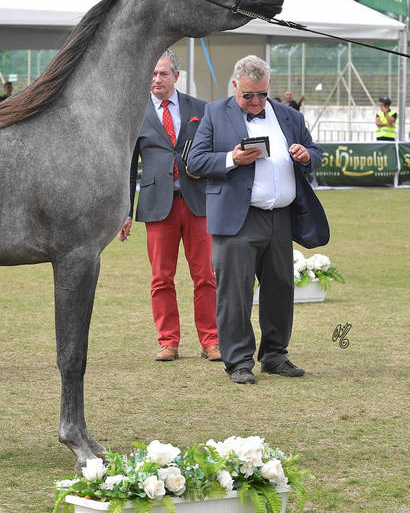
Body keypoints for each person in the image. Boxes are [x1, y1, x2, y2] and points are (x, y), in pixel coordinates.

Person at [190, 55, 328, 385]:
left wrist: (308, 156)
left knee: (280, 288)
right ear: (235, 86)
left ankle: (275, 354)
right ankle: (238, 361)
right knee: (235, 293)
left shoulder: (289, 116)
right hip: (237, 219)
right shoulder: (214, 114)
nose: (255, 102)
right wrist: (231, 158)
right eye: (248, 95)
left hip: (280, 218)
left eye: (262, 95)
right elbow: (195, 162)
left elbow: (316, 152)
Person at [119, 50, 219, 363]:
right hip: (156, 207)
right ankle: (168, 342)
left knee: (206, 276)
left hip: (197, 204)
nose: (156, 79)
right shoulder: (136, 111)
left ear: (176, 76)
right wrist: (125, 210)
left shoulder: (200, 108)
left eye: (163, 74)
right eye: (151, 74)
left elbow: (214, 152)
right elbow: (127, 166)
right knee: (161, 278)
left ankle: (211, 341)